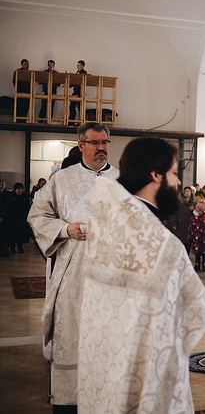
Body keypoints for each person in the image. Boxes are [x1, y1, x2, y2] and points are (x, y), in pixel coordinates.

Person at [76, 137, 205, 413]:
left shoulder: (110, 224)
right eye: (174, 173)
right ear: (156, 174)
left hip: (106, 362)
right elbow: (193, 313)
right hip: (146, 371)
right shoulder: (161, 243)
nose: (178, 182)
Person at [27, 122, 119, 412]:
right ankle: (69, 401)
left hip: (112, 275)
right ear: (81, 145)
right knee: (72, 335)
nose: (101, 148)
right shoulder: (62, 180)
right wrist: (67, 229)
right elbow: (37, 215)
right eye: (95, 142)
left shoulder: (123, 180)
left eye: (105, 142)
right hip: (73, 274)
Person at [168, 186, 196, 252]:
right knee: (180, 242)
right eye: (186, 191)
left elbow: (198, 213)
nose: (188, 193)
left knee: (188, 242)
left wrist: (193, 210)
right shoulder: (179, 202)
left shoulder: (194, 202)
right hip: (180, 224)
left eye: (189, 191)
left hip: (190, 225)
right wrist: (174, 224)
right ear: (184, 192)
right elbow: (174, 213)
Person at [6, 182, 31, 254]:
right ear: (15, 190)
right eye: (18, 189)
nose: (19, 191)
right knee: (12, 234)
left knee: (21, 234)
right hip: (12, 219)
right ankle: (12, 248)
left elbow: (28, 207)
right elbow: (8, 208)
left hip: (22, 219)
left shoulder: (25, 196)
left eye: (21, 189)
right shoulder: (11, 196)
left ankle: (20, 247)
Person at [187, 201, 205, 271]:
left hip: (204, 238)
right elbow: (191, 227)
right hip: (196, 238)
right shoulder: (193, 218)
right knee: (197, 252)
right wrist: (191, 235)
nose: (198, 211)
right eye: (197, 210)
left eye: (199, 210)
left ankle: (204, 264)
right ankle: (197, 264)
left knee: (204, 252)